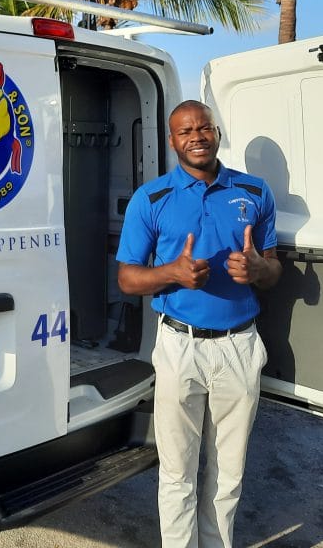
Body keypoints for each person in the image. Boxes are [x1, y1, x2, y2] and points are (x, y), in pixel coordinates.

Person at [116, 100, 282, 548]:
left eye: (204, 128)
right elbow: (128, 277)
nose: (196, 136)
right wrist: (173, 273)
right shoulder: (151, 199)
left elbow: (273, 266)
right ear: (172, 141)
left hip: (239, 346)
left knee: (229, 471)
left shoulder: (254, 192)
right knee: (177, 471)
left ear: (217, 133)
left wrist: (257, 271)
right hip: (178, 347)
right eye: (185, 130)